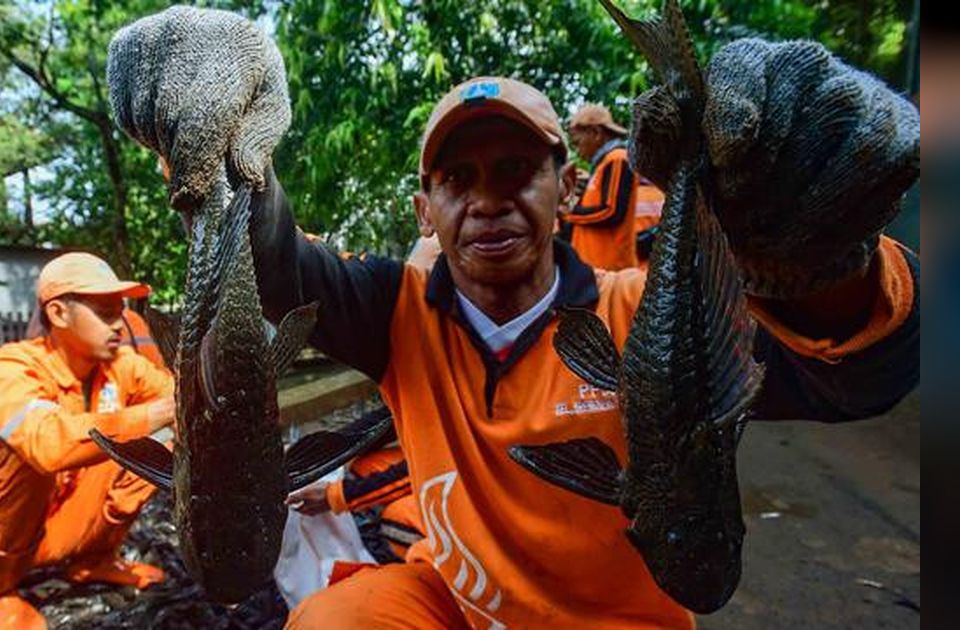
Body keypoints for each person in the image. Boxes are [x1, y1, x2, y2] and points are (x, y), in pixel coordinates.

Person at [108, 9, 919, 627]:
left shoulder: (637, 315)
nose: (488, 198)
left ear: (567, 191)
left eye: (516, 169)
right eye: (458, 177)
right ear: (425, 210)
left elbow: (854, 373)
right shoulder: (392, 310)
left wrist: (813, 267)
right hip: (459, 604)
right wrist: (224, 143)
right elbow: (277, 264)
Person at [0, 252, 177, 628]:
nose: (120, 324)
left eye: (121, 310)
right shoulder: (10, 366)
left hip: (63, 524)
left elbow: (181, 398)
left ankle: (94, 559)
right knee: (26, 457)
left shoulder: (123, 365)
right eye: (105, 312)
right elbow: (47, 447)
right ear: (58, 314)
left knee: (157, 451)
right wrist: (158, 414)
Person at [287, 446, 424, 562]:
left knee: (398, 518)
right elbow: (385, 421)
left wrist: (339, 495)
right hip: (430, 454)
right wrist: (328, 448)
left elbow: (427, 467)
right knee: (365, 467)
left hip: (441, 469)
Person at [563, 103, 644, 270]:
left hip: (609, 268)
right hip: (594, 266)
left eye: (577, 143)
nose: (577, 151)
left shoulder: (617, 159)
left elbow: (611, 212)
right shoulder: (603, 164)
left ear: (596, 133)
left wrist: (569, 212)